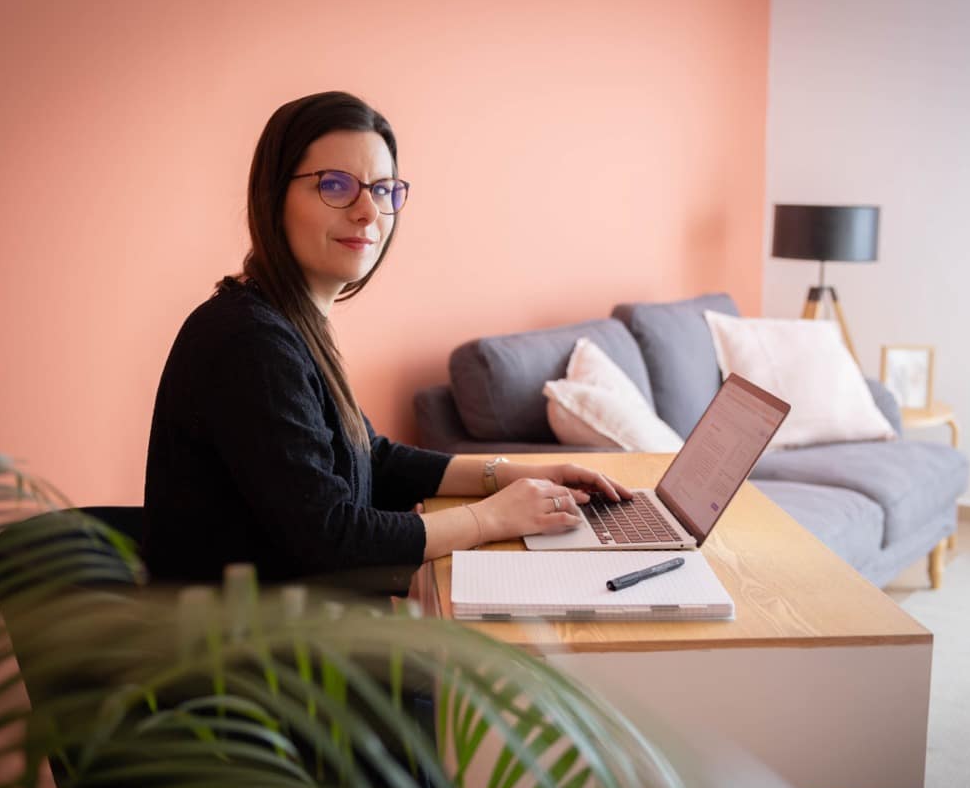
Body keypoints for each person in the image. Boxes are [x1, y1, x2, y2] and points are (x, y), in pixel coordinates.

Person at [143, 91, 630, 587]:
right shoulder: (250, 342)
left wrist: (512, 473)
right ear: (273, 198)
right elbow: (330, 538)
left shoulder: (286, 320)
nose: (367, 212)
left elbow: (369, 456)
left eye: (382, 190)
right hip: (249, 650)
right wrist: (493, 518)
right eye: (335, 185)